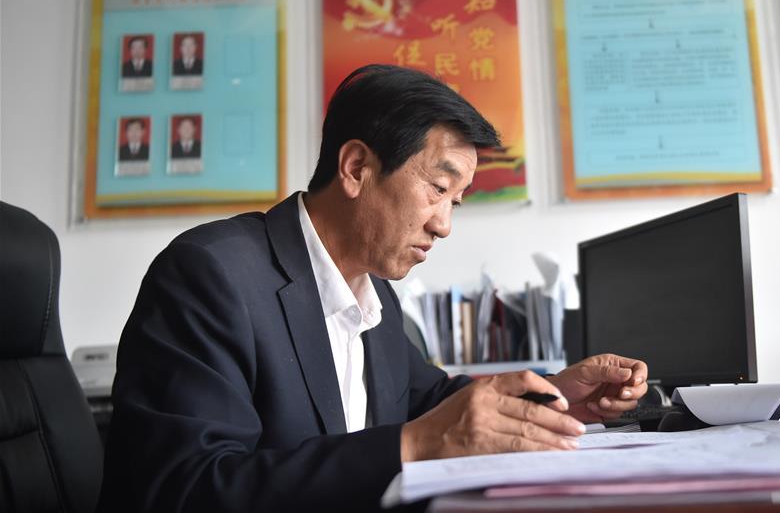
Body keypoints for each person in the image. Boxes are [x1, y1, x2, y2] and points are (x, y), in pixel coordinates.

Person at [98, 65, 648, 512]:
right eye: (437, 188)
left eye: (454, 202)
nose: (443, 224)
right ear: (357, 167)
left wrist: (552, 395)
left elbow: (422, 398)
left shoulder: (371, 288)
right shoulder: (211, 274)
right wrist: (414, 446)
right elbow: (183, 490)